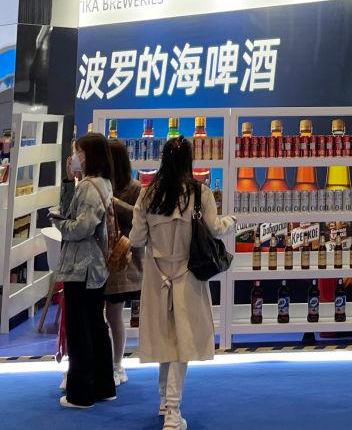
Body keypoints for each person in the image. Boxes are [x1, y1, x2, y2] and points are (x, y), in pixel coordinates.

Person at [130, 137, 235, 430]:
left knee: (163, 338)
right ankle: (173, 412)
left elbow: (137, 239)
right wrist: (232, 221)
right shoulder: (200, 193)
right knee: (183, 343)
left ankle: (165, 402)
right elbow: (215, 229)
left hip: (156, 275)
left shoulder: (148, 194)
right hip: (187, 274)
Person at [50, 133, 117, 409]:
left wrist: (59, 223)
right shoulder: (101, 183)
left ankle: (81, 393)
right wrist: (69, 181)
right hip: (94, 267)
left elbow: (80, 227)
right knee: (95, 326)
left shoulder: (90, 187)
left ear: (89, 155)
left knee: (80, 330)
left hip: (82, 267)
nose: (75, 157)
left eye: (79, 152)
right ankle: (103, 386)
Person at [105, 139, 144, 386]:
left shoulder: (135, 187)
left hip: (123, 258)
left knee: (114, 313)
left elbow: (139, 217)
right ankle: (104, 362)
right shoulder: (100, 184)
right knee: (102, 314)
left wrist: (115, 203)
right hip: (101, 257)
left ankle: (117, 363)